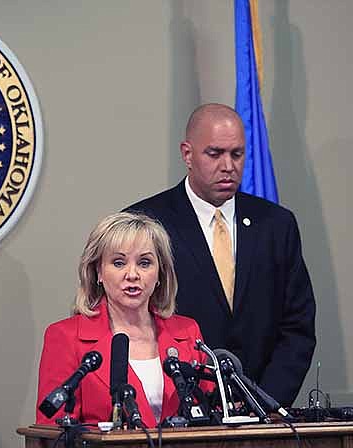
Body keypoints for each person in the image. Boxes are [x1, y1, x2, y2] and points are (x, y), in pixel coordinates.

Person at [127, 103, 316, 407]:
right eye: (215, 154)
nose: (228, 165)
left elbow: (297, 326)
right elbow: (134, 322)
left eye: (237, 154)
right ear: (187, 154)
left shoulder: (277, 225)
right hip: (179, 411)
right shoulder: (147, 223)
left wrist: (266, 402)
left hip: (263, 414)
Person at [35, 212, 211, 427]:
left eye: (144, 263)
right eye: (119, 263)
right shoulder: (65, 337)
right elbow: (53, 429)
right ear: (98, 271)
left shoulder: (187, 332)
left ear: (160, 274)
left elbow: (212, 415)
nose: (132, 274)